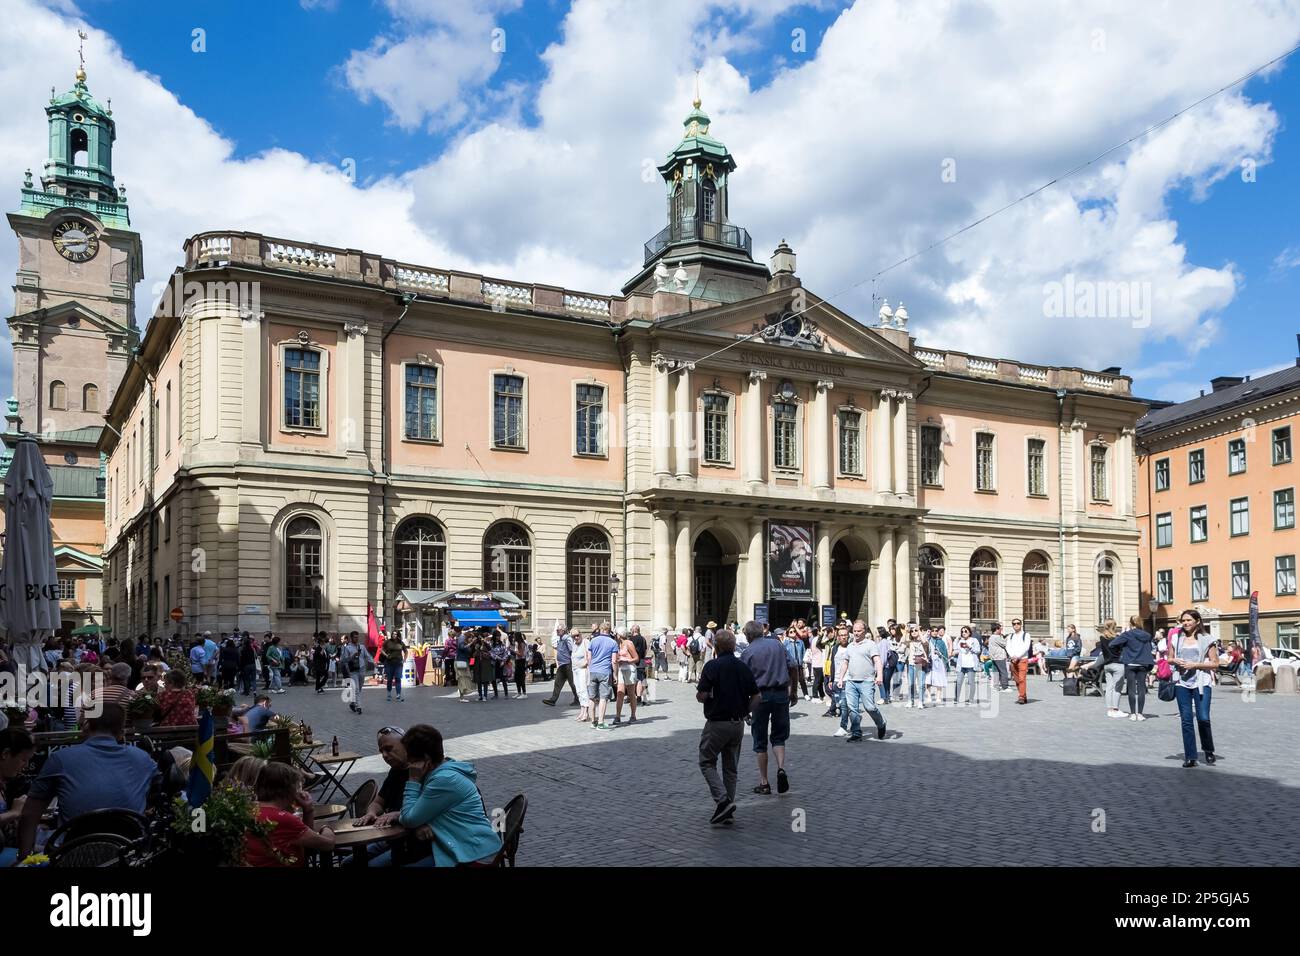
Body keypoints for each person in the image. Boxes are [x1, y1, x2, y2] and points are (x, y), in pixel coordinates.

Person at [16, 703, 159, 858]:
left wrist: (24, 858)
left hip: (75, 856)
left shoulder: (61, 759)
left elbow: (30, 814)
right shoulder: (143, 759)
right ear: (121, 733)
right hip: (128, 855)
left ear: (86, 726)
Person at [378, 725, 501, 868]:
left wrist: (413, 781)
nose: (410, 765)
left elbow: (409, 819)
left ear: (425, 759)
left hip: (472, 852)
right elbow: (418, 811)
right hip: (454, 845)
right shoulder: (438, 772)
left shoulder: (444, 780)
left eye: (411, 760)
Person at [696, 629, 758, 825]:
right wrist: (745, 711)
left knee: (706, 762)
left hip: (717, 723)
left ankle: (722, 800)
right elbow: (757, 696)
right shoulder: (742, 667)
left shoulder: (712, 666)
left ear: (716, 646)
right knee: (731, 769)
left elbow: (702, 695)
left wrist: (705, 695)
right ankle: (727, 811)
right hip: (737, 724)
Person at [243, 762, 335, 867]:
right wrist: (327, 828)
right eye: (298, 788)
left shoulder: (247, 809)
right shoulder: (282, 818)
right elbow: (327, 844)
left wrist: (308, 810)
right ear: (289, 790)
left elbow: (306, 842)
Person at [740, 620, 792, 795]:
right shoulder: (777, 645)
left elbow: (743, 682)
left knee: (760, 739)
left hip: (759, 697)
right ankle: (781, 768)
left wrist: (745, 708)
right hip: (780, 694)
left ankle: (764, 782)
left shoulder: (747, 652)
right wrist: (793, 691)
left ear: (748, 635)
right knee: (779, 737)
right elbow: (793, 666)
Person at [1168, 609, 1218, 768]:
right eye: (1183, 620)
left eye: (1189, 620)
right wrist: (1175, 661)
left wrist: (1195, 664)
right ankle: (1190, 756)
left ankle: (1208, 749)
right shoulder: (1176, 638)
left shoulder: (1207, 639)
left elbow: (1215, 663)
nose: (1185, 623)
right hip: (1182, 682)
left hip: (1201, 682)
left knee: (1203, 717)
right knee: (1186, 720)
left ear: (1197, 621)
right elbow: (1169, 659)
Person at [835, 620, 888, 741]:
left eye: (859, 631)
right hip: (851, 682)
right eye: (854, 631)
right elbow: (845, 662)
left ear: (864, 631)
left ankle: (881, 723)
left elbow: (877, 661)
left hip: (867, 681)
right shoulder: (850, 646)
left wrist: (879, 676)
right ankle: (856, 733)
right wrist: (841, 678)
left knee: (869, 707)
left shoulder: (870, 644)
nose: (856, 633)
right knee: (852, 708)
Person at [0, 728, 36, 868]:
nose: (25, 766)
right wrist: (14, 813)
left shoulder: (4, 782)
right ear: (6, 754)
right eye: (23, 760)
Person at [1110, 616, 1154, 720]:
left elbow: (1112, 644)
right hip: (1143, 663)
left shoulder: (1127, 634)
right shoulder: (1147, 635)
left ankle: (1133, 714)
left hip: (1130, 663)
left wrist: (1123, 649)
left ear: (1131, 623)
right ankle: (1141, 714)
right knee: (1142, 689)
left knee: (1131, 689)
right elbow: (1150, 648)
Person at [585, 626, 619, 730]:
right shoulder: (613, 643)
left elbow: (589, 658)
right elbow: (614, 661)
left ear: (600, 630)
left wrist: (590, 669)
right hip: (605, 671)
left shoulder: (593, 640)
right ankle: (600, 722)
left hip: (593, 671)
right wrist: (615, 674)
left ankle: (593, 722)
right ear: (609, 631)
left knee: (592, 697)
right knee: (603, 698)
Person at [542, 627, 579, 707]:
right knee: (558, 682)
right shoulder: (560, 639)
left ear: (563, 631)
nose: (557, 631)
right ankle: (553, 700)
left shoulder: (567, 639)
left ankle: (578, 699)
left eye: (559, 630)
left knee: (572, 683)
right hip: (562, 665)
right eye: (557, 630)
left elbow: (572, 650)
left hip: (568, 664)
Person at [1096, 619, 1126, 718]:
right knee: (1117, 688)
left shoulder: (1102, 638)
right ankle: (1116, 709)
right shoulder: (1117, 638)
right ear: (1114, 626)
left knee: (1109, 688)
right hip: (1117, 664)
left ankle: (1110, 710)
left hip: (1107, 665)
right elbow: (1122, 649)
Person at [614, 627, 640, 726]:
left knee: (630, 693)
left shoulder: (628, 643)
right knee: (619, 692)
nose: (615, 636)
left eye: (616, 634)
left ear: (619, 635)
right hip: (621, 669)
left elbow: (636, 658)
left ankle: (633, 715)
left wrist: (627, 660)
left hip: (629, 669)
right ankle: (617, 716)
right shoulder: (619, 644)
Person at [902, 624, 929, 708]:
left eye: (915, 630)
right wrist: (906, 632)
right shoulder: (910, 642)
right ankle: (911, 701)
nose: (913, 632)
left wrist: (919, 630)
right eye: (912, 631)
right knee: (911, 684)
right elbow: (904, 641)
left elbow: (924, 642)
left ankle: (921, 701)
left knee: (921, 684)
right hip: (911, 664)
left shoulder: (924, 641)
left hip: (921, 664)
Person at [1005, 618, 1031, 704]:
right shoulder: (1010, 636)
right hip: (1013, 660)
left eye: (1018, 623)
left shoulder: (1026, 635)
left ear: (1021, 624)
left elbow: (1026, 647)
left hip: (1022, 659)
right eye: (1014, 624)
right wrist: (1012, 656)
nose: (1016, 625)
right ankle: (1023, 695)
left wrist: (1018, 656)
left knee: (1022, 679)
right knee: (1016, 680)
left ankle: (1021, 697)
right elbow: (1008, 647)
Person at [953, 625, 980, 705]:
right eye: (962, 631)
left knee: (971, 682)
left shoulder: (974, 640)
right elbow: (956, 650)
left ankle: (971, 699)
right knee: (958, 682)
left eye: (965, 631)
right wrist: (956, 640)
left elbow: (978, 651)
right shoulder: (960, 641)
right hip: (961, 664)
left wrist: (970, 647)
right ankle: (956, 698)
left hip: (971, 664)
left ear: (969, 632)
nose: (963, 633)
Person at [571, 630, 592, 722]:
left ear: (580, 634)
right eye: (574, 636)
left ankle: (586, 712)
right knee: (578, 690)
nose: (576, 637)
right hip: (575, 669)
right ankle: (582, 710)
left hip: (583, 669)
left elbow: (590, 656)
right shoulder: (574, 644)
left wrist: (586, 663)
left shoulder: (586, 642)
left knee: (583, 690)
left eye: (577, 635)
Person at [926, 626, 949, 706]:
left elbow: (945, 652)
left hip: (939, 662)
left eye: (936, 630)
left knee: (939, 679)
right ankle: (929, 696)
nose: (935, 632)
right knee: (928, 679)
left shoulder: (941, 641)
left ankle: (938, 696)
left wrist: (940, 653)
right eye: (933, 631)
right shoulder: (927, 640)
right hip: (929, 662)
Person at [381, 632, 407, 703]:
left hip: (398, 663)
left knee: (398, 678)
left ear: (398, 635)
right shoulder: (388, 642)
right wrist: (386, 655)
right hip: (389, 663)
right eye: (393, 634)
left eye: (395, 634)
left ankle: (398, 694)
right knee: (389, 679)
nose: (394, 635)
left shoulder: (401, 643)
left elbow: (406, 651)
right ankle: (389, 694)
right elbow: (382, 650)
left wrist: (404, 660)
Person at [987, 623, 1010, 692]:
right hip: (999, 657)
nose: (1001, 630)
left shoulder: (991, 637)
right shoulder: (997, 637)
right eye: (1000, 629)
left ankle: (996, 686)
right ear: (997, 629)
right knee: (1003, 672)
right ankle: (1005, 687)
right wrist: (1007, 638)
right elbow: (1005, 644)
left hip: (994, 657)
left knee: (996, 672)